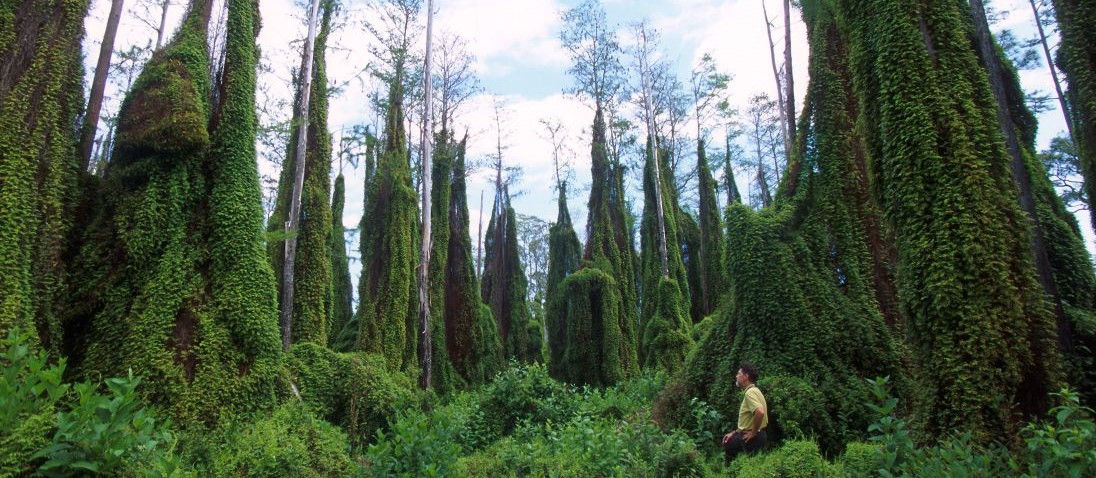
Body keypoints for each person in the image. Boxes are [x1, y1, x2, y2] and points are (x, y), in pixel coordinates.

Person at [721, 362, 768, 461]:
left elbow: (760, 412)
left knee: (728, 445)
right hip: (758, 436)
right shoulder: (755, 391)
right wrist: (734, 432)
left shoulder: (750, 393)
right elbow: (748, 421)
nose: (736, 376)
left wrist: (753, 433)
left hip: (752, 438)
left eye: (739, 373)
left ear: (746, 376)